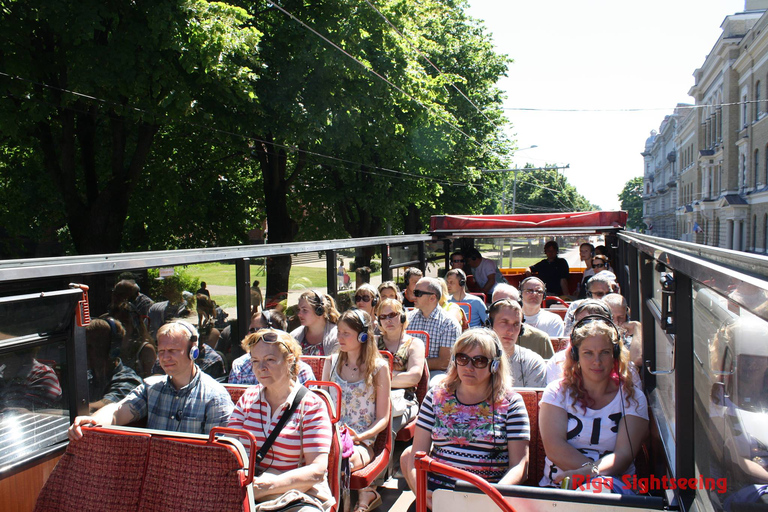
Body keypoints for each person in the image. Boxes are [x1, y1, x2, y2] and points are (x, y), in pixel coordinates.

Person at [400, 329, 530, 509]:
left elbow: (520, 465)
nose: (469, 367)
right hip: (439, 494)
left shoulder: (512, 403)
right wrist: (423, 493)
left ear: (494, 365)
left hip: (487, 496)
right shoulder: (436, 397)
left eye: (479, 361)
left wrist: (492, 497)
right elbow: (416, 456)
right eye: (463, 358)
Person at [68, 321, 234, 440]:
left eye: (173, 351)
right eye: (161, 351)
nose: (165, 357)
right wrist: (93, 422)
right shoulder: (151, 388)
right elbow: (118, 411)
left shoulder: (215, 396)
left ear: (193, 352)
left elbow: (218, 451)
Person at [228, 329, 335, 511]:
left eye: (270, 360)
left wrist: (266, 487)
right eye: (255, 361)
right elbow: (228, 450)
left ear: (290, 360)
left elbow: (316, 470)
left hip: (294, 494)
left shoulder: (311, 406)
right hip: (248, 490)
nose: (261, 368)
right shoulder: (247, 399)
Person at [539, 315, 648, 491]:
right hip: (559, 486)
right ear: (576, 356)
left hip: (615, 486)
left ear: (615, 355)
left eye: (604, 352)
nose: (597, 361)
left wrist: (588, 475)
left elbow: (624, 455)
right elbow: (554, 448)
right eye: (588, 353)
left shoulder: (632, 397)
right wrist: (591, 472)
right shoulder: (556, 392)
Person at [322, 309, 390, 512]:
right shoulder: (331, 363)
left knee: (341, 461)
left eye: (346, 333)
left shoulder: (378, 368)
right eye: (338, 332)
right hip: (331, 436)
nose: (339, 338)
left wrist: (360, 436)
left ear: (362, 336)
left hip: (360, 441)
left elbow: (382, 418)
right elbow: (322, 405)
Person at [376, 298, 426, 432]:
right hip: (374, 399)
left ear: (402, 317)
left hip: (404, 401)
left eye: (392, 315)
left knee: (386, 427)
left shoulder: (415, 343)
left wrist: (378, 379)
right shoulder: (372, 343)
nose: (388, 320)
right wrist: (397, 378)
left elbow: (414, 377)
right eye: (383, 317)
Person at [229, 310, 316, 385]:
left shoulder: (302, 371)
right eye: (255, 361)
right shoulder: (239, 366)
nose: (248, 335)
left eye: (253, 330)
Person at [546, 299, 614, 384]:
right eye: (583, 324)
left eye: (598, 324)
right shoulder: (557, 362)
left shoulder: (626, 366)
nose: (591, 329)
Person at [406, 277, 462, 382]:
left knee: (434, 386)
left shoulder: (449, 323)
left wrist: (413, 364)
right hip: (407, 369)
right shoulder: (407, 319)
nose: (413, 296)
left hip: (436, 372)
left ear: (432, 298)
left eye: (418, 293)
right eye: (414, 292)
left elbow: (444, 362)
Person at [85, 318, 143, 413]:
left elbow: (107, 405)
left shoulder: (128, 380)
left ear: (112, 348)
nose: (85, 352)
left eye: (91, 346)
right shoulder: (87, 376)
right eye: (84, 346)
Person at [488, 300, 547, 387]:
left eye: (516, 324)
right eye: (504, 322)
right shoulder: (474, 358)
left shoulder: (533, 363)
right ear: (489, 325)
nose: (510, 331)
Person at [491, 284, 554, 359]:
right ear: (489, 321)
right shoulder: (477, 342)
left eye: (511, 305)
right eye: (498, 307)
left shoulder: (540, 340)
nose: (505, 310)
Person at [108, 301, 157, 378]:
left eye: (125, 323)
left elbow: (152, 381)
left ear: (135, 324)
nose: (121, 327)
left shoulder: (145, 349)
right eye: (117, 323)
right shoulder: (108, 348)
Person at [291, 291, 340, 356]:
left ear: (319, 311)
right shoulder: (294, 336)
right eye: (299, 309)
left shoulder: (337, 336)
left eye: (304, 310)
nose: (299, 314)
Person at [603, 294, 643, 368]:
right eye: (611, 317)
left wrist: (637, 326)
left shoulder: (630, 337)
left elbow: (637, 360)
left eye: (620, 317)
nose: (616, 322)